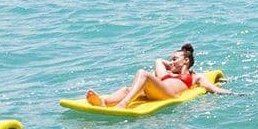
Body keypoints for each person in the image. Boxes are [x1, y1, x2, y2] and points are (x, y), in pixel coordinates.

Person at [85, 43, 228, 107]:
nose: (171, 62)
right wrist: (174, 64)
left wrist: (232, 93)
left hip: (168, 94)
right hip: (156, 91)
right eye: (171, 59)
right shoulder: (165, 73)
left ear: (186, 60)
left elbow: (212, 89)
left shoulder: (195, 77)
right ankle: (105, 102)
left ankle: (124, 104)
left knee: (143, 73)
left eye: (174, 59)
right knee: (127, 89)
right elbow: (158, 60)